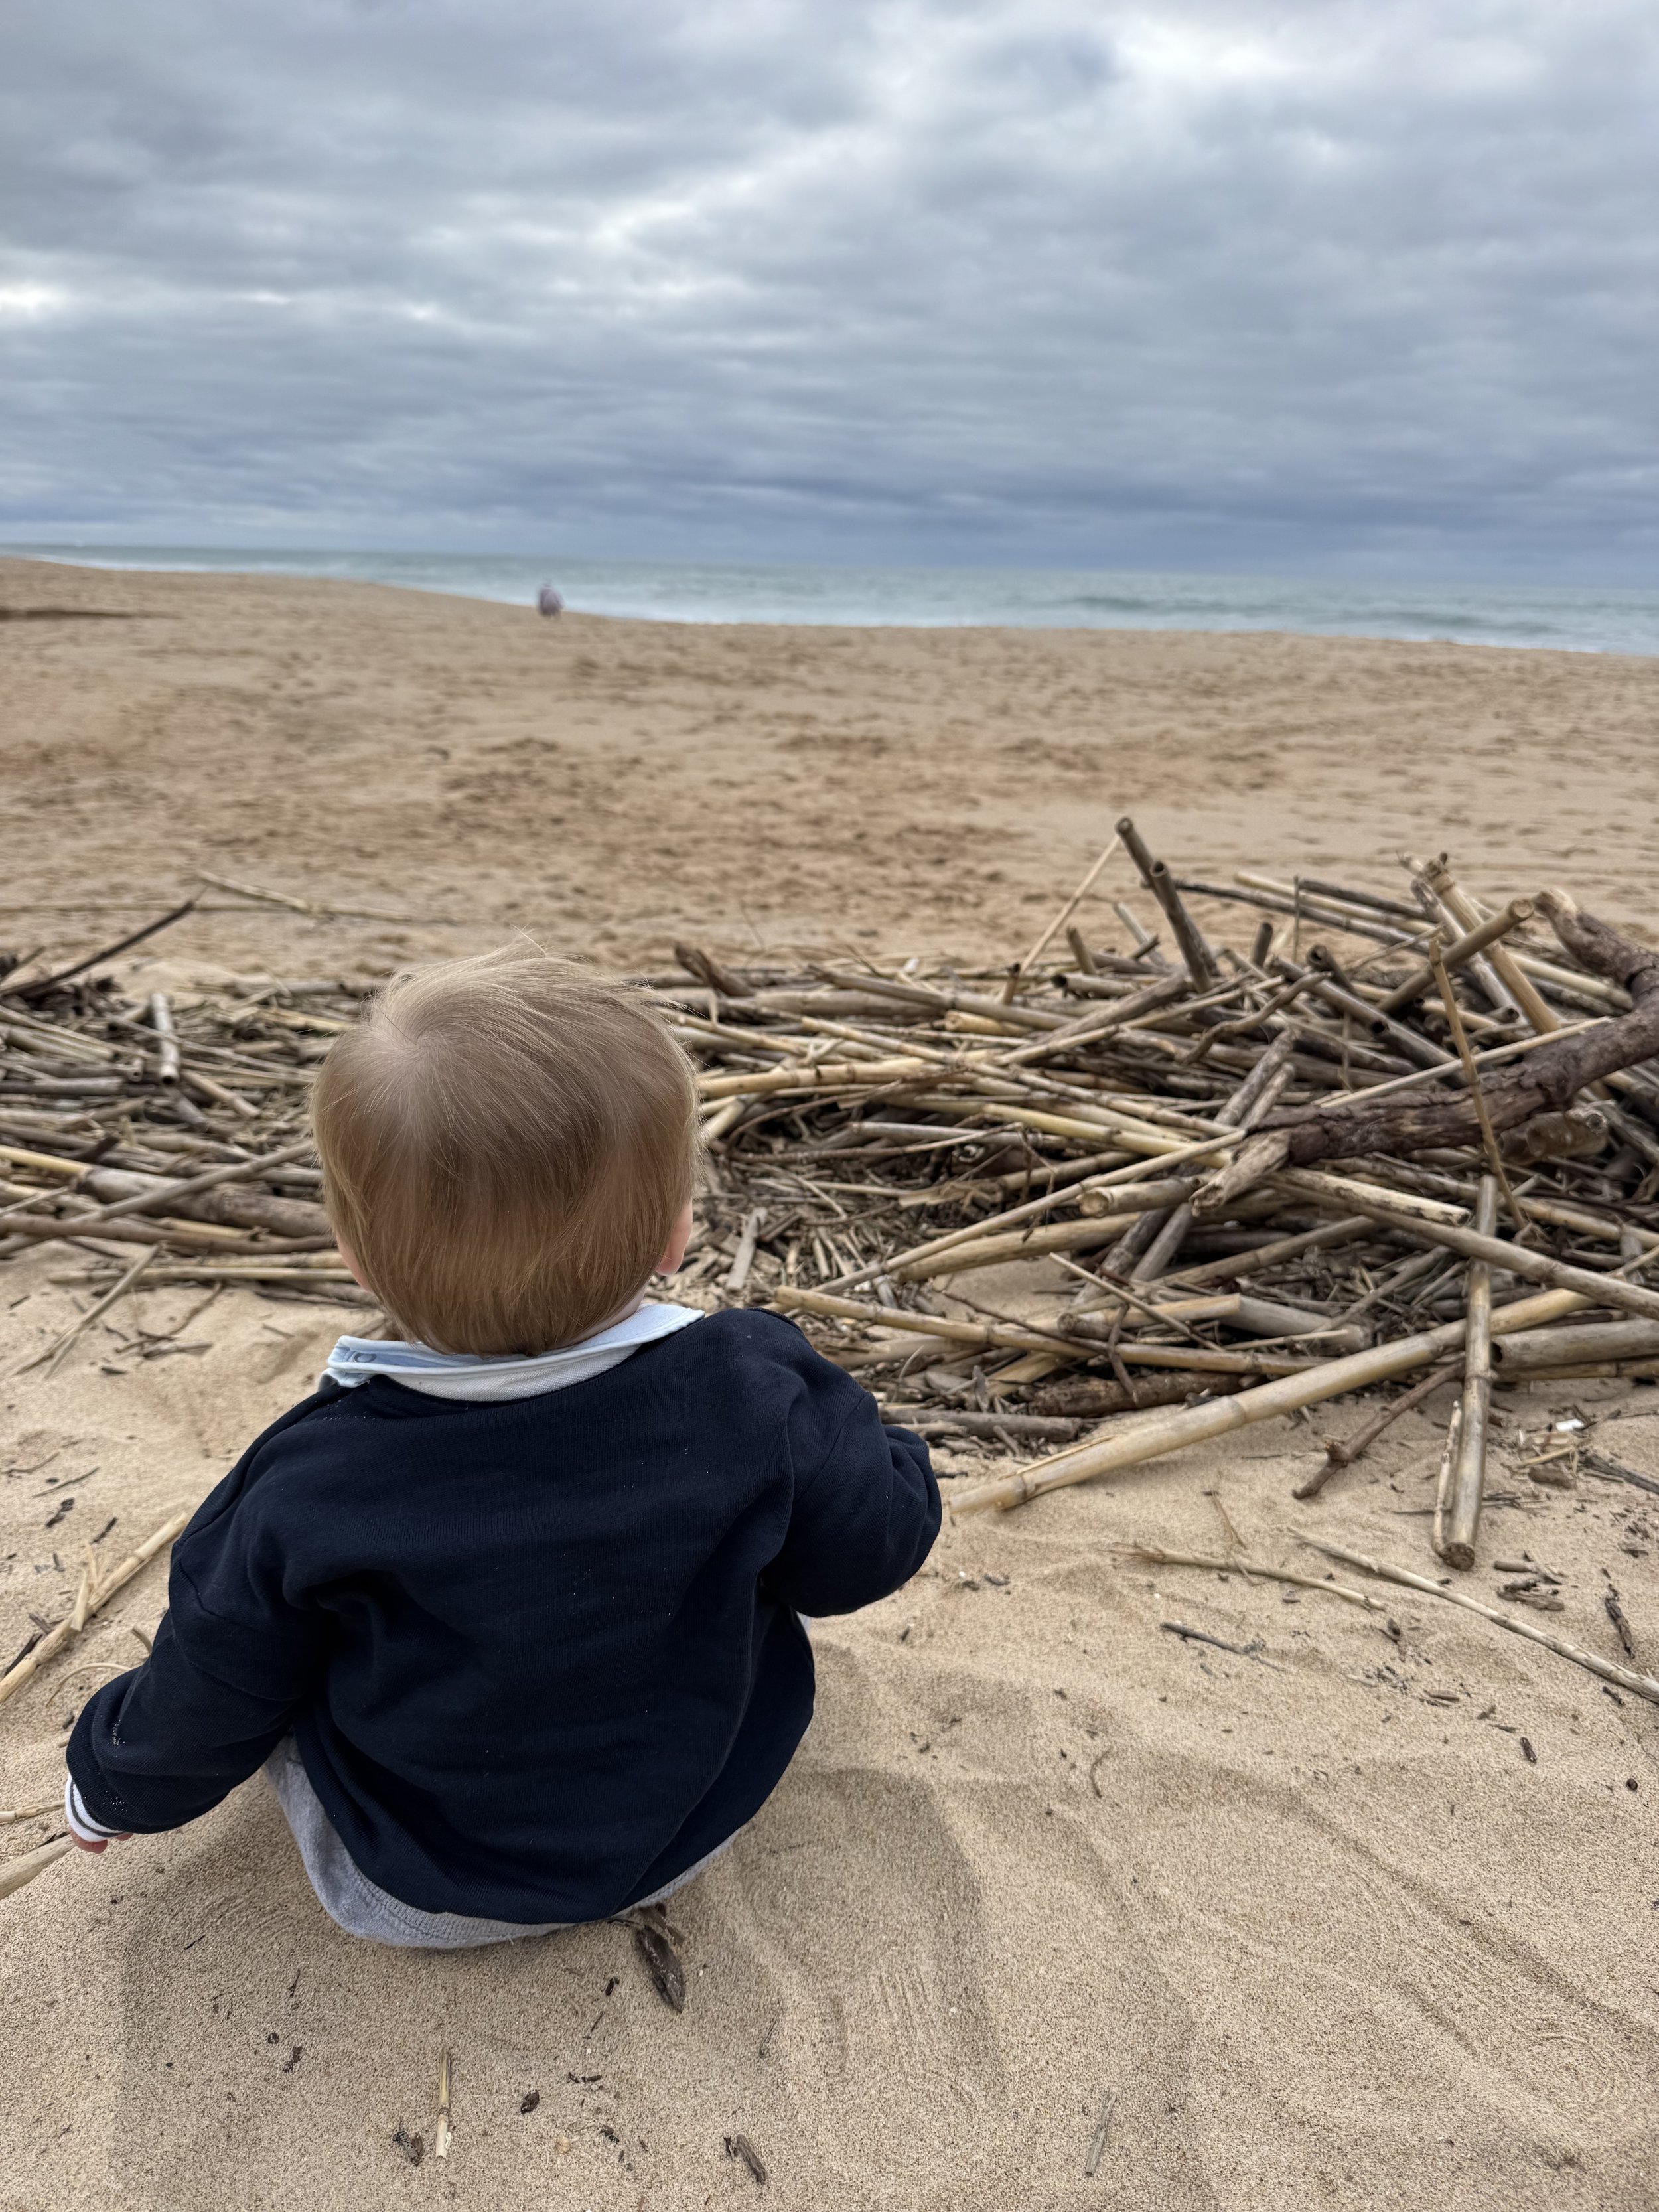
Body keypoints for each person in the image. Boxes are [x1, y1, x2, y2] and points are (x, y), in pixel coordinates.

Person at [64, 948, 939, 1947]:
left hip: (415, 1891)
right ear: (674, 1236)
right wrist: (888, 1455)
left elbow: (207, 1691)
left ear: (351, 1253)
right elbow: (866, 1551)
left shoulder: (310, 1479)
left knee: (282, 1657)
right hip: (694, 1822)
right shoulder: (753, 1386)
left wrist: (109, 1781)